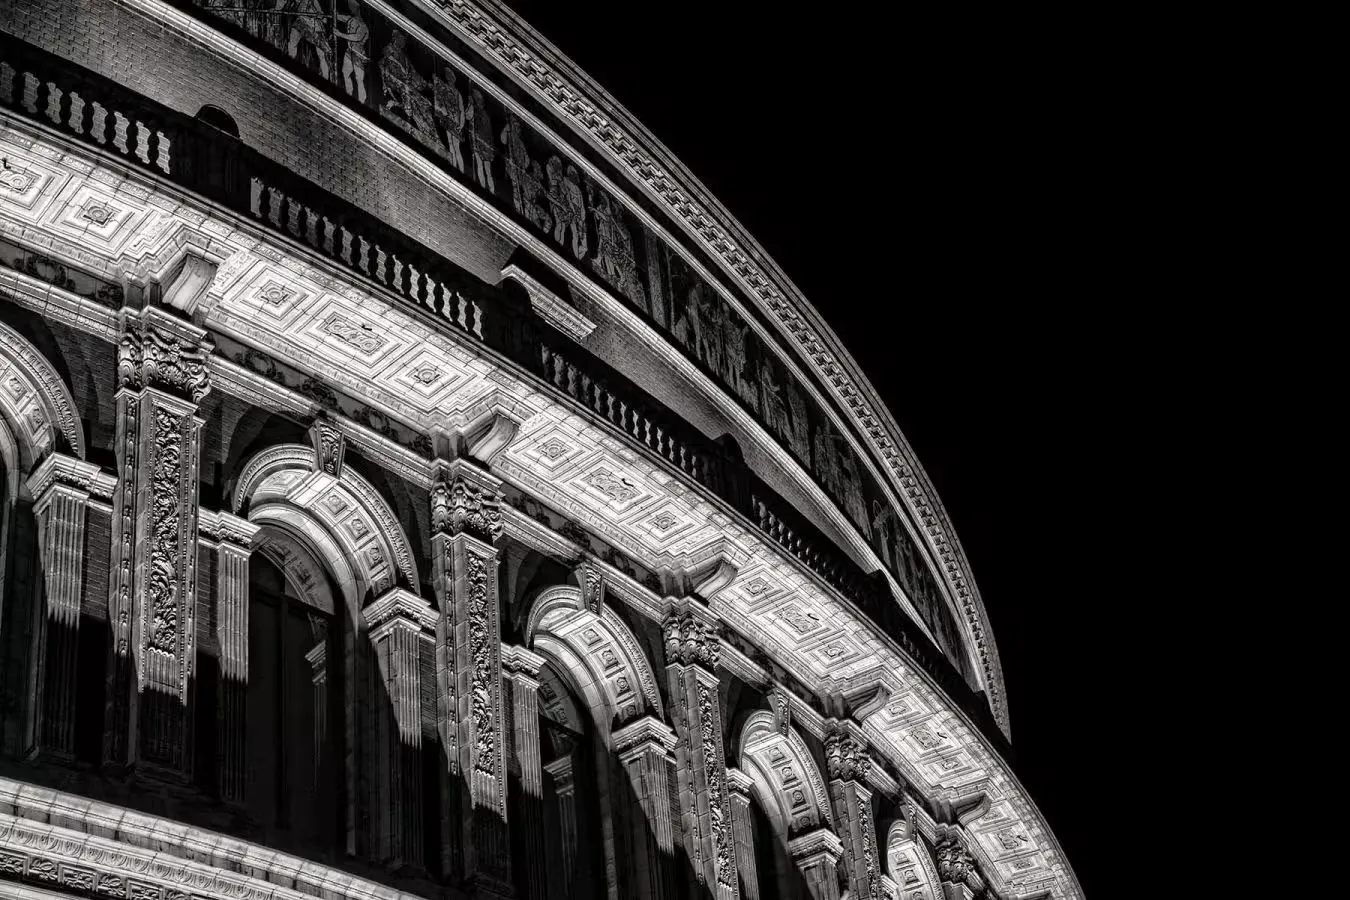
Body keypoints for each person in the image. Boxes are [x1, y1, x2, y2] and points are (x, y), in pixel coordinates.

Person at [333, 0, 369, 103]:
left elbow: (356, 37)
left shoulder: (363, 25)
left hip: (358, 54)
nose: (350, 8)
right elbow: (340, 17)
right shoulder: (351, 19)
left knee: (359, 78)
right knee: (345, 72)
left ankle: (362, 101)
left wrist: (340, 34)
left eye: (353, 6)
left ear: (358, 8)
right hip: (349, 52)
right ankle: (349, 94)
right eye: (349, 5)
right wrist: (335, 14)